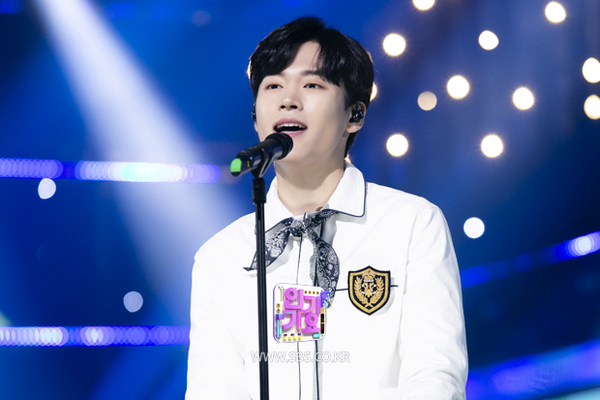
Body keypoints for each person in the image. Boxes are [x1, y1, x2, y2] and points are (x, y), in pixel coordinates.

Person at [186, 16, 468, 399]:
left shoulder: (412, 226)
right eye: (273, 86)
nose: (288, 99)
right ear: (255, 117)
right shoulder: (221, 257)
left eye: (312, 85)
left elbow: (435, 378)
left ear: (355, 114)